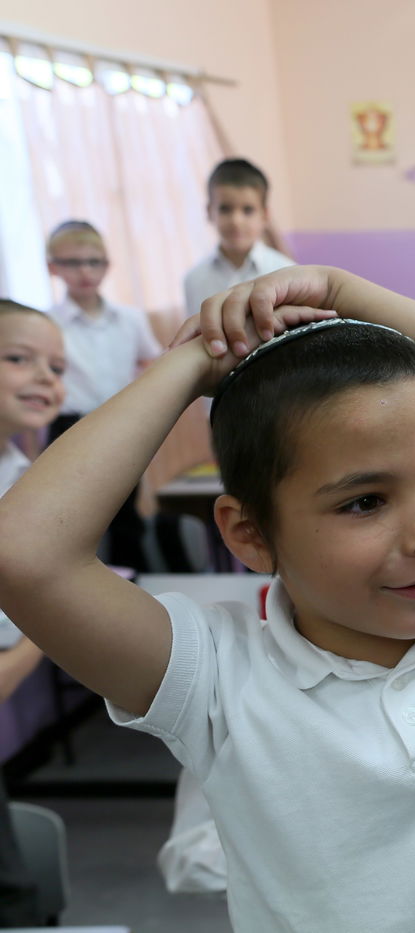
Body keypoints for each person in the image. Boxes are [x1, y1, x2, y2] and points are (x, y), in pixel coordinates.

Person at [0, 269, 415, 932]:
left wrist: (336, 291)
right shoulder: (220, 681)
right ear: (249, 532)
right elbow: (25, 555)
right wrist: (191, 364)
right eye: (365, 501)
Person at [44, 220, 162, 570]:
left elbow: (154, 362)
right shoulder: (48, 323)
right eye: (72, 262)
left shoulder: (130, 319)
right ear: (53, 267)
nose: (84, 271)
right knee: (69, 521)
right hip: (68, 427)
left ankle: (133, 585)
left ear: (107, 266)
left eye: (94, 261)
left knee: (125, 513)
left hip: (119, 426)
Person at [0, 299, 65, 926]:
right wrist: (52, 622)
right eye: (20, 359)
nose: (47, 379)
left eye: (57, 365)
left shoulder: (22, 474)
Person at [182, 158, 294, 319]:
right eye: (225, 209)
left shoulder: (287, 273)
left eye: (247, 210)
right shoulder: (193, 280)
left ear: (265, 215)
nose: (236, 221)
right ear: (209, 211)